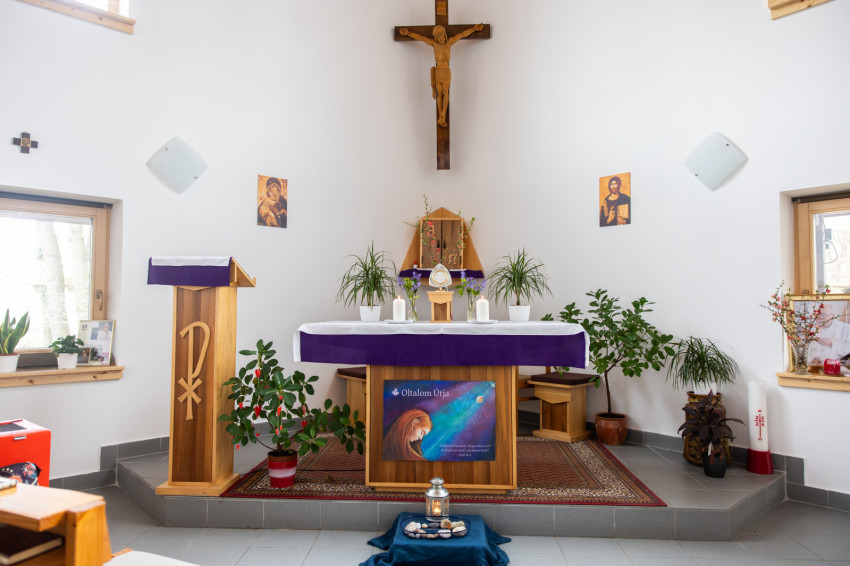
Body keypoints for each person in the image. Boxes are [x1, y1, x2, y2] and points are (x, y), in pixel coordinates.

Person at [399, 23, 484, 127]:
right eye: (438, 37)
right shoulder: (434, 45)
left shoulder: (449, 43)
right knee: (439, 92)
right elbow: (421, 38)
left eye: (442, 35)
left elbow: (462, 34)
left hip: (446, 70)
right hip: (438, 70)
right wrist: (408, 33)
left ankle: (443, 113)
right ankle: (441, 116)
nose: (441, 38)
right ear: (436, 38)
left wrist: (474, 29)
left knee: (445, 91)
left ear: (445, 35)